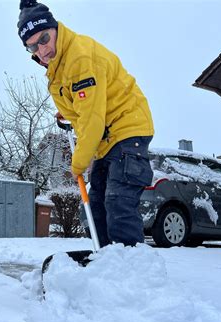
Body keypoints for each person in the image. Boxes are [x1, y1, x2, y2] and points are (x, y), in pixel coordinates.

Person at [18, 0, 154, 247]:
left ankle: (133, 273)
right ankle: (107, 264)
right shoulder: (58, 63)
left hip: (126, 130)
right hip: (107, 139)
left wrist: (78, 164)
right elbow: (83, 102)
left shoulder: (78, 57)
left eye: (44, 39)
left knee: (118, 203)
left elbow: (92, 117)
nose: (41, 50)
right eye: (32, 47)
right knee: (97, 208)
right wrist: (68, 114)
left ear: (55, 29)